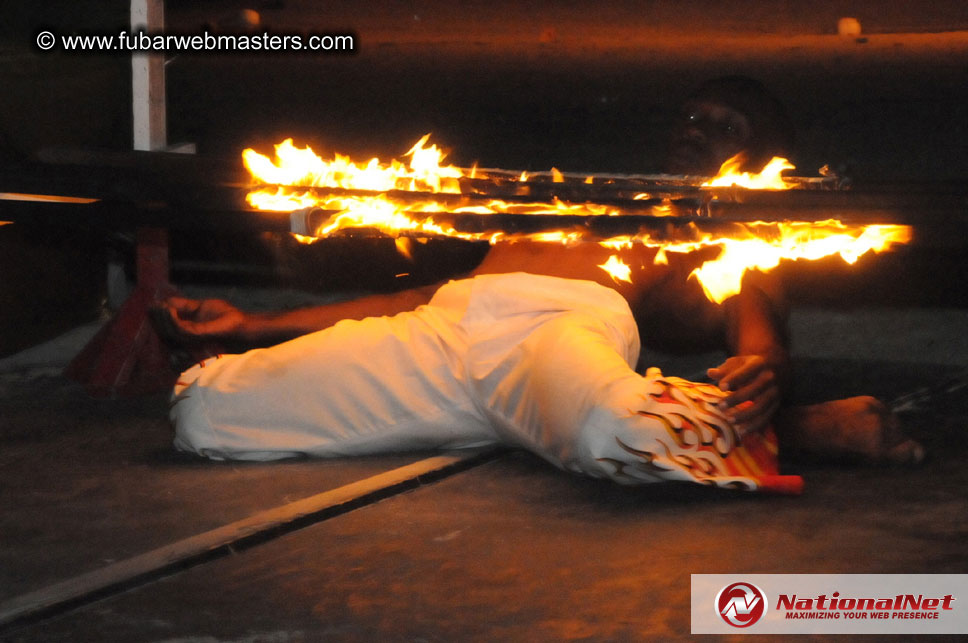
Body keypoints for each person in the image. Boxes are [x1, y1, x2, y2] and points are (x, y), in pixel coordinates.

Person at [157, 78, 923, 490]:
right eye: (692, 114)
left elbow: (760, 330)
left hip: (555, 339)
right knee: (204, 408)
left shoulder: (732, 235)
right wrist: (253, 325)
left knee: (608, 432)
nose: (695, 128)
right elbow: (412, 301)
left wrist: (771, 380)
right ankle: (523, 429)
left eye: (723, 125)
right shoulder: (582, 199)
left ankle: (798, 433)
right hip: (444, 335)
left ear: (763, 160)